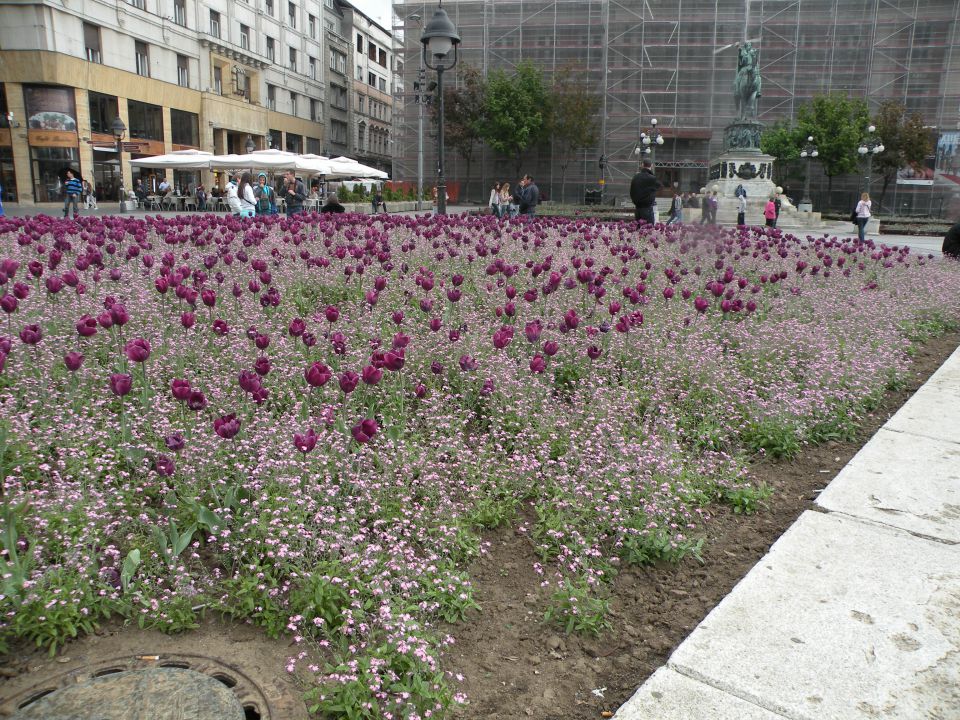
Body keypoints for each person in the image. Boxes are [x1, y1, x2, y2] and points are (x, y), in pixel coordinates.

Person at [629, 159, 662, 224]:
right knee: (648, 230)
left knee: (638, 230)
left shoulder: (636, 177)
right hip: (648, 208)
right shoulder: (652, 178)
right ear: (651, 166)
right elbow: (659, 185)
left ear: (642, 165)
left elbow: (631, 192)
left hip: (638, 208)